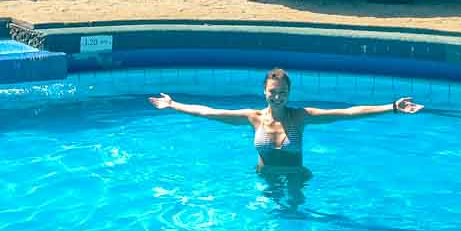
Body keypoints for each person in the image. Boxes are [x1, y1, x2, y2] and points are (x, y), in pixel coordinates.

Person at [148, 67, 423, 175]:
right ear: (264, 92)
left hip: (296, 179)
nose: (277, 97)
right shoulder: (252, 118)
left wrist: (392, 108)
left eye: (282, 93)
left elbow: (349, 112)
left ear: (289, 94)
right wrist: (173, 105)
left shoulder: (301, 117)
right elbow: (208, 112)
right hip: (264, 177)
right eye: (272, 92)